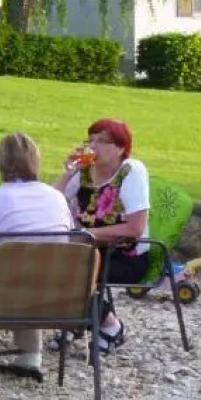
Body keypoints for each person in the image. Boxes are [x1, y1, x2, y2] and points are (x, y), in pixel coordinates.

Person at [0, 132, 75, 378]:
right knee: (34, 268)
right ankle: (31, 354)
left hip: (6, 298)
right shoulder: (57, 197)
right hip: (60, 298)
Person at [55, 118, 150, 352]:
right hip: (87, 250)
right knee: (48, 266)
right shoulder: (84, 172)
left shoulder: (131, 171)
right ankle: (76, 322)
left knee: (67, 274)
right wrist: (67, 174)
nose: (93, 146)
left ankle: (110, 325)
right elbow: (50, 202)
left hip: (125, 255)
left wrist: (86, 233)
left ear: (120, 147)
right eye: (91, 140)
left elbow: (135, 229)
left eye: (102, 141)